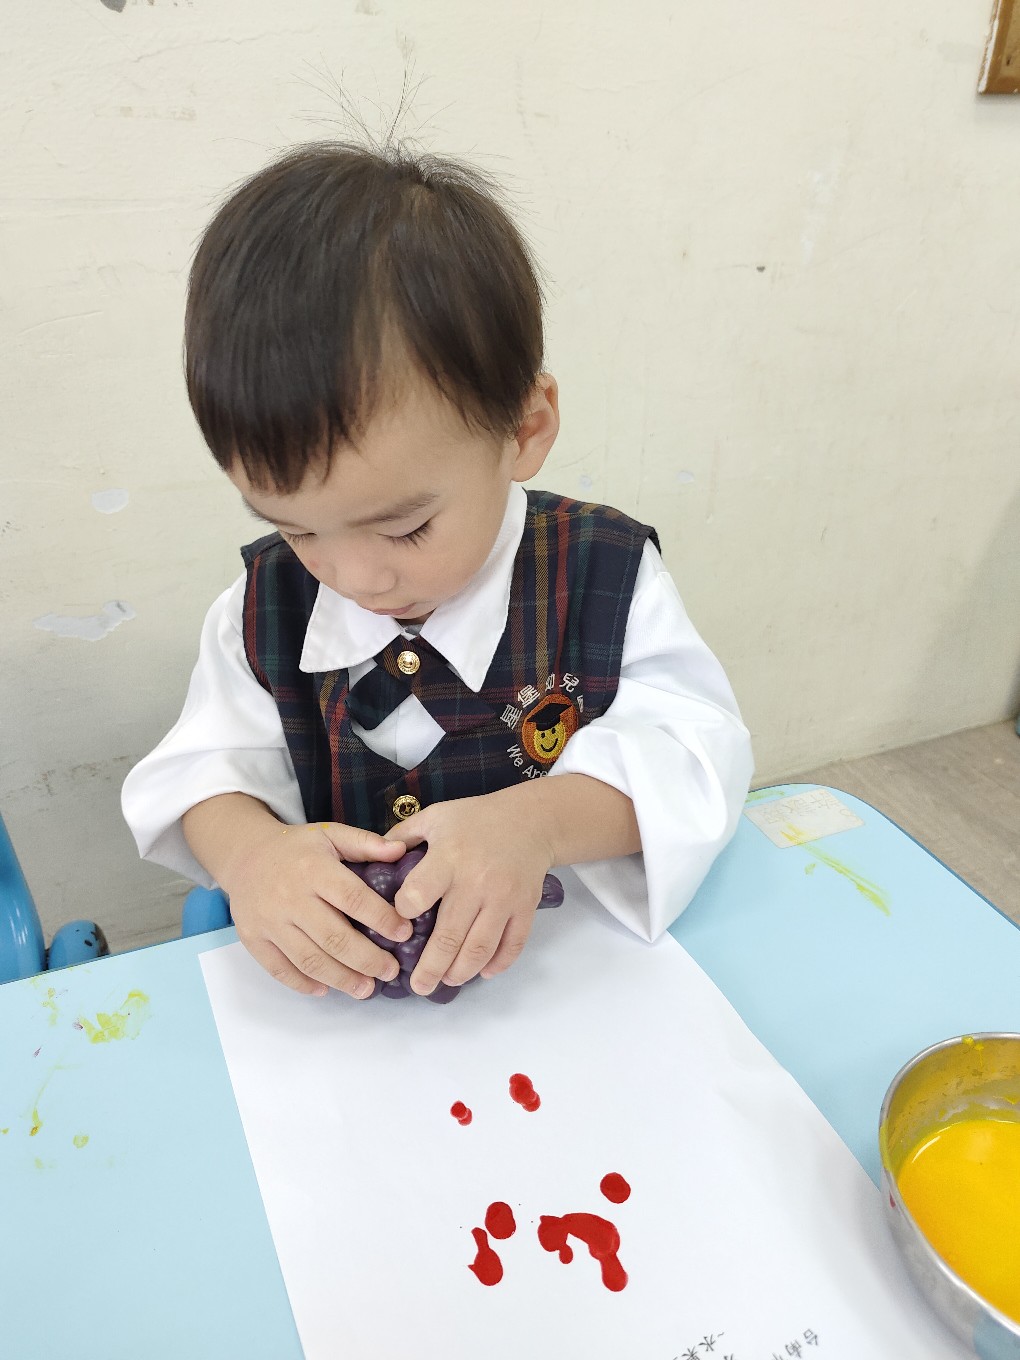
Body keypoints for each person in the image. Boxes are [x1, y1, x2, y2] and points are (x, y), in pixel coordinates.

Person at [122, 141, 753, 1003]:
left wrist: (533, 825)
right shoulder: (263, 610)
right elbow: (203, 772)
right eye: (296, 529)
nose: (356, 577)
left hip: (568, 986)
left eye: (406, 527)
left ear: (523, 430)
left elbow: (698, 756)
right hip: (348, 1017)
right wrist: (252, 855)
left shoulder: (604, 573)